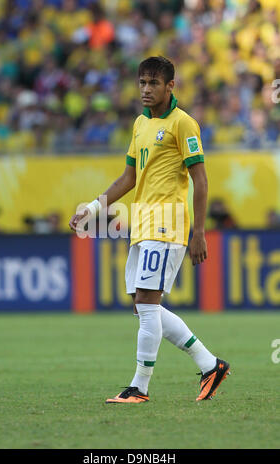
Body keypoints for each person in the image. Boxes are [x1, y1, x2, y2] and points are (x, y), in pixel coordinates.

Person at [69, 56, 230, 403]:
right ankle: (209, 365)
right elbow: (128, 177)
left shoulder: (183, 124)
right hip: (141, 223)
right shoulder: (140, 125)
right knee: (144, 307)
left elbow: (200, 179)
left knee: (146, 305)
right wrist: (93, 208)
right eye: (142, 82)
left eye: (153, 83)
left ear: (170, 86)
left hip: (167, 222)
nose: (145, 89)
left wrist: (198, 231)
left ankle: (139, 388)